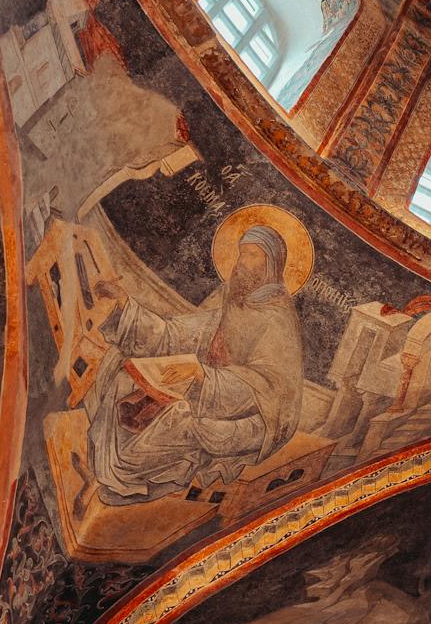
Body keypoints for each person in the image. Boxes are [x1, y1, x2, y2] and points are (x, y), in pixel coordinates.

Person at [81, 216, 307, 506]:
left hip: (254, 419)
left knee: (179, 420)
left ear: (271, 264)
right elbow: (178, 333)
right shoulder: (236, 300)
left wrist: (202, 376)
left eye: (251, 255)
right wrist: (126, 305)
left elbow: (265, 390)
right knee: (123, 372)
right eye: (241, 252)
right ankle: (112, 471)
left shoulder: (277, 319)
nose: (241, 261)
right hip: (208, 391)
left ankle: (140, 482)